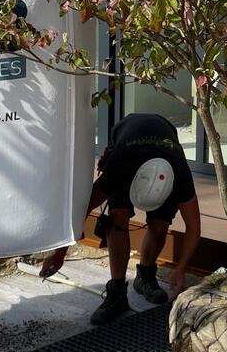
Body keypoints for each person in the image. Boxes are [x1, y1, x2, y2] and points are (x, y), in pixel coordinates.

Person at [41, 113, 201, 326]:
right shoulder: (119, 168)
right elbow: (83, 209)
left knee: (160, 225)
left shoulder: (179, 175)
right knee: (118, 218)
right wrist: (60, 253)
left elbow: (194, 228)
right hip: (126, 140)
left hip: (164, 141)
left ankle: (145, 276)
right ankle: (116, 292)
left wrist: (180, 269)